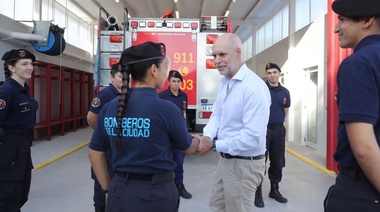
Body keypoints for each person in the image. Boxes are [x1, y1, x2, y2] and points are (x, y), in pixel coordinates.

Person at [88, 41, 200, 212]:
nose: (166, 73)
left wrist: (107, 189)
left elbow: (95, 153)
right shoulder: (166, 109)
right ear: (154, 70)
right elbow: (186, 147)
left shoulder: (110, 107)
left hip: (118, 193)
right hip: (155, 196)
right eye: (164, 67)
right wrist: (200, 141)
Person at [196, 33, 271, 212]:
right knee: (216, 207)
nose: (217, 60)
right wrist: (207, 136)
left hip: (245, 165)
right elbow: (217, 115)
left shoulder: (254, 88)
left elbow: (252, 137)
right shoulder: (226, 83)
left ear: (238, 52)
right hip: (226, 161)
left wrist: (214, 145)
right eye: (214, 55)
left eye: (222, 54)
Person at [324, 0, 380, 211]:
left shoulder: (359, 63)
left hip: (363, 193)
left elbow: (364, 148)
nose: (337, 28)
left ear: (367, 20)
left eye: (342, 20)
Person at [0, 49, 38, 211]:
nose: (30, 67)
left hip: (23, 147)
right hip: (9, 149)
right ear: (11, 68)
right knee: (9, 198)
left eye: (31, 64)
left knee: (22, 194)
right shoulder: (7, 91)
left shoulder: (24, 90)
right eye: (24, 64)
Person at [87, 63, 122, 212]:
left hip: (119, 148)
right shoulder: (105, 95)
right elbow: (91, 118)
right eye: (121, 77)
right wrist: (104, 135)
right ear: (112, 77)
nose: (124, 80)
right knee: (102, 185)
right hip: (106, 148)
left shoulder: (126, 95)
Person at [254, 62, 290, 208]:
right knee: (260, 161)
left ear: (279, 73)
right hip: (264, 130)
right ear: (266, 75)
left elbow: (285, 111)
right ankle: (257, 192)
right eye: (269, 73)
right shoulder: (261, 89)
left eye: (274, 72)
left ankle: (274, 190)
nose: (272, 75)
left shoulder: (285, 92)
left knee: (278, 161)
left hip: (279, 130)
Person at [159, 70, 192, 199]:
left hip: (179, 134)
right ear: (169, 82)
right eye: (174, 81)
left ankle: (179, 186)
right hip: (165, 136)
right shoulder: (162, 96)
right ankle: (165, 188)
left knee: (179, 162)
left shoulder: (184, 96)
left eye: (178, 82)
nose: (176, 84)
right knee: (165, 162)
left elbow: (184, 114)